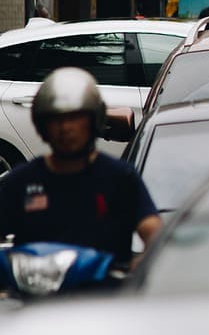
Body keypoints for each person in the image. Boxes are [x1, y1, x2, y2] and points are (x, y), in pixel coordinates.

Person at [0, 69, 162, 268]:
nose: (66, 128)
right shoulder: (20, 182)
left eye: (75, 118)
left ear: (94, 120)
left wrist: (142, 266)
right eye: (56, 119)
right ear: (43, 125)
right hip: (38, 296)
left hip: (105, 293)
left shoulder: (119, 177)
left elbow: (153, 233)